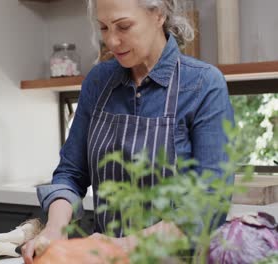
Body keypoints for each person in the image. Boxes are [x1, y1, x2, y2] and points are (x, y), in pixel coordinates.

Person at [22, 0, 234, 262]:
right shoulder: (99, 82)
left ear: (158, 14)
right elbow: (71, 173)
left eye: (123, 26)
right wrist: (55, 229)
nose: (111, 41)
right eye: (103, 28)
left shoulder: (203, 85)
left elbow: (208, 206)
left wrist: (121, 246)